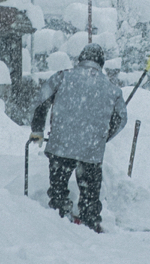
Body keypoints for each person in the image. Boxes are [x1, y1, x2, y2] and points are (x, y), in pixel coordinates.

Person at [30, 43, 126, 232]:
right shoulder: (112, 89)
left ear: (81, 59)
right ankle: (90, 223)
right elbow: (121, 118)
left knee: (58, 189)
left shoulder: (62, 77)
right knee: (90, 193)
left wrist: (37, 130)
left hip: (61, 145)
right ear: (101, 63)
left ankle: (58, 220)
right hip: (91, 151)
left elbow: (41, 101)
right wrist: (103, 136)